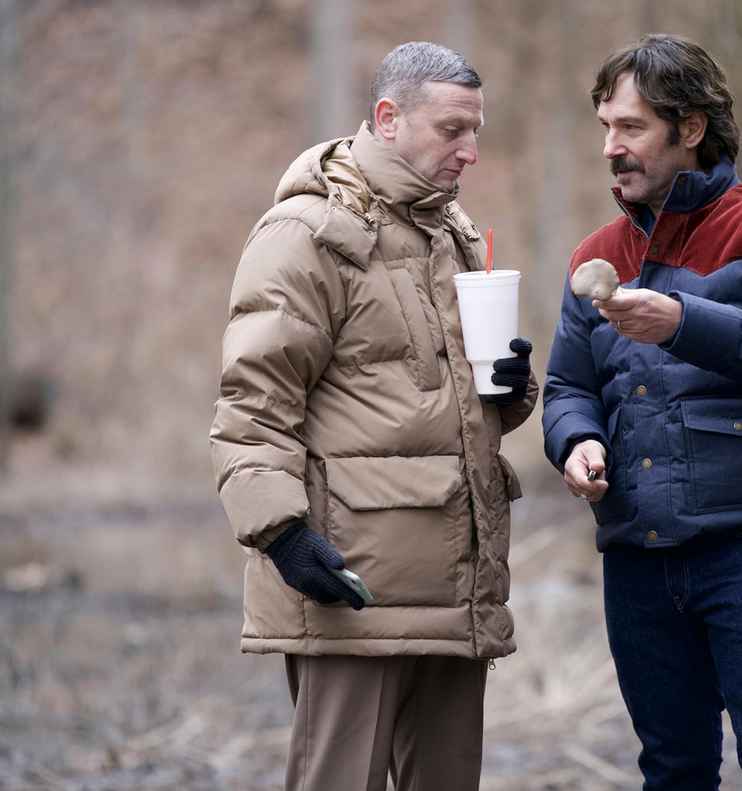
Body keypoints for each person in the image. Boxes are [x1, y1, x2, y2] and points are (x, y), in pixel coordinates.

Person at [210, 41, 536, 791]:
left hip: (456, 587)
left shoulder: (449, 232)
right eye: (452, 130)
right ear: (388, 118)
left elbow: (435, 407)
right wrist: (283, 534)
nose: (472, 151)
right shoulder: (306, 234)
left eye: (476, 130)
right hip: (351, 585)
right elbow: (251, 405)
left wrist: (508, 389)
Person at [543, 34, 742, 790]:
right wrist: (575, 442)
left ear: (692, 127)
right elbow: (568, 387)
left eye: (632, 127)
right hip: (637, 555)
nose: (612, 147)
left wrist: (680, 320)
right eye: (606, 127)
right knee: (672, 770)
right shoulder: (595, 255)